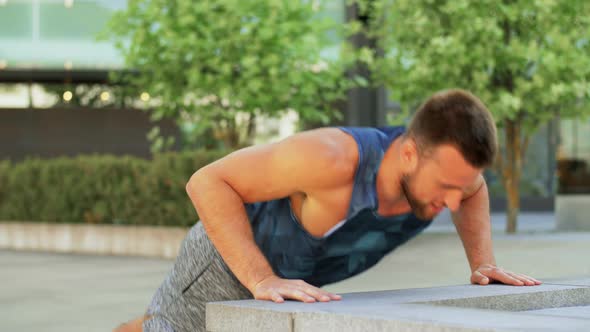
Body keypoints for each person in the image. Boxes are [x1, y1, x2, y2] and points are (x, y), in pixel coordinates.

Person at [115, 89, 542, 332]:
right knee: (162, 325)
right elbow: (207, 181)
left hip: (287, 288)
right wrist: (260, 277)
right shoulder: (330, 157)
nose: (451, 202)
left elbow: (474, 190)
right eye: (445, 186)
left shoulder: (450, 175)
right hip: (223, 267)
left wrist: (483, 263)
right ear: (409, 153)